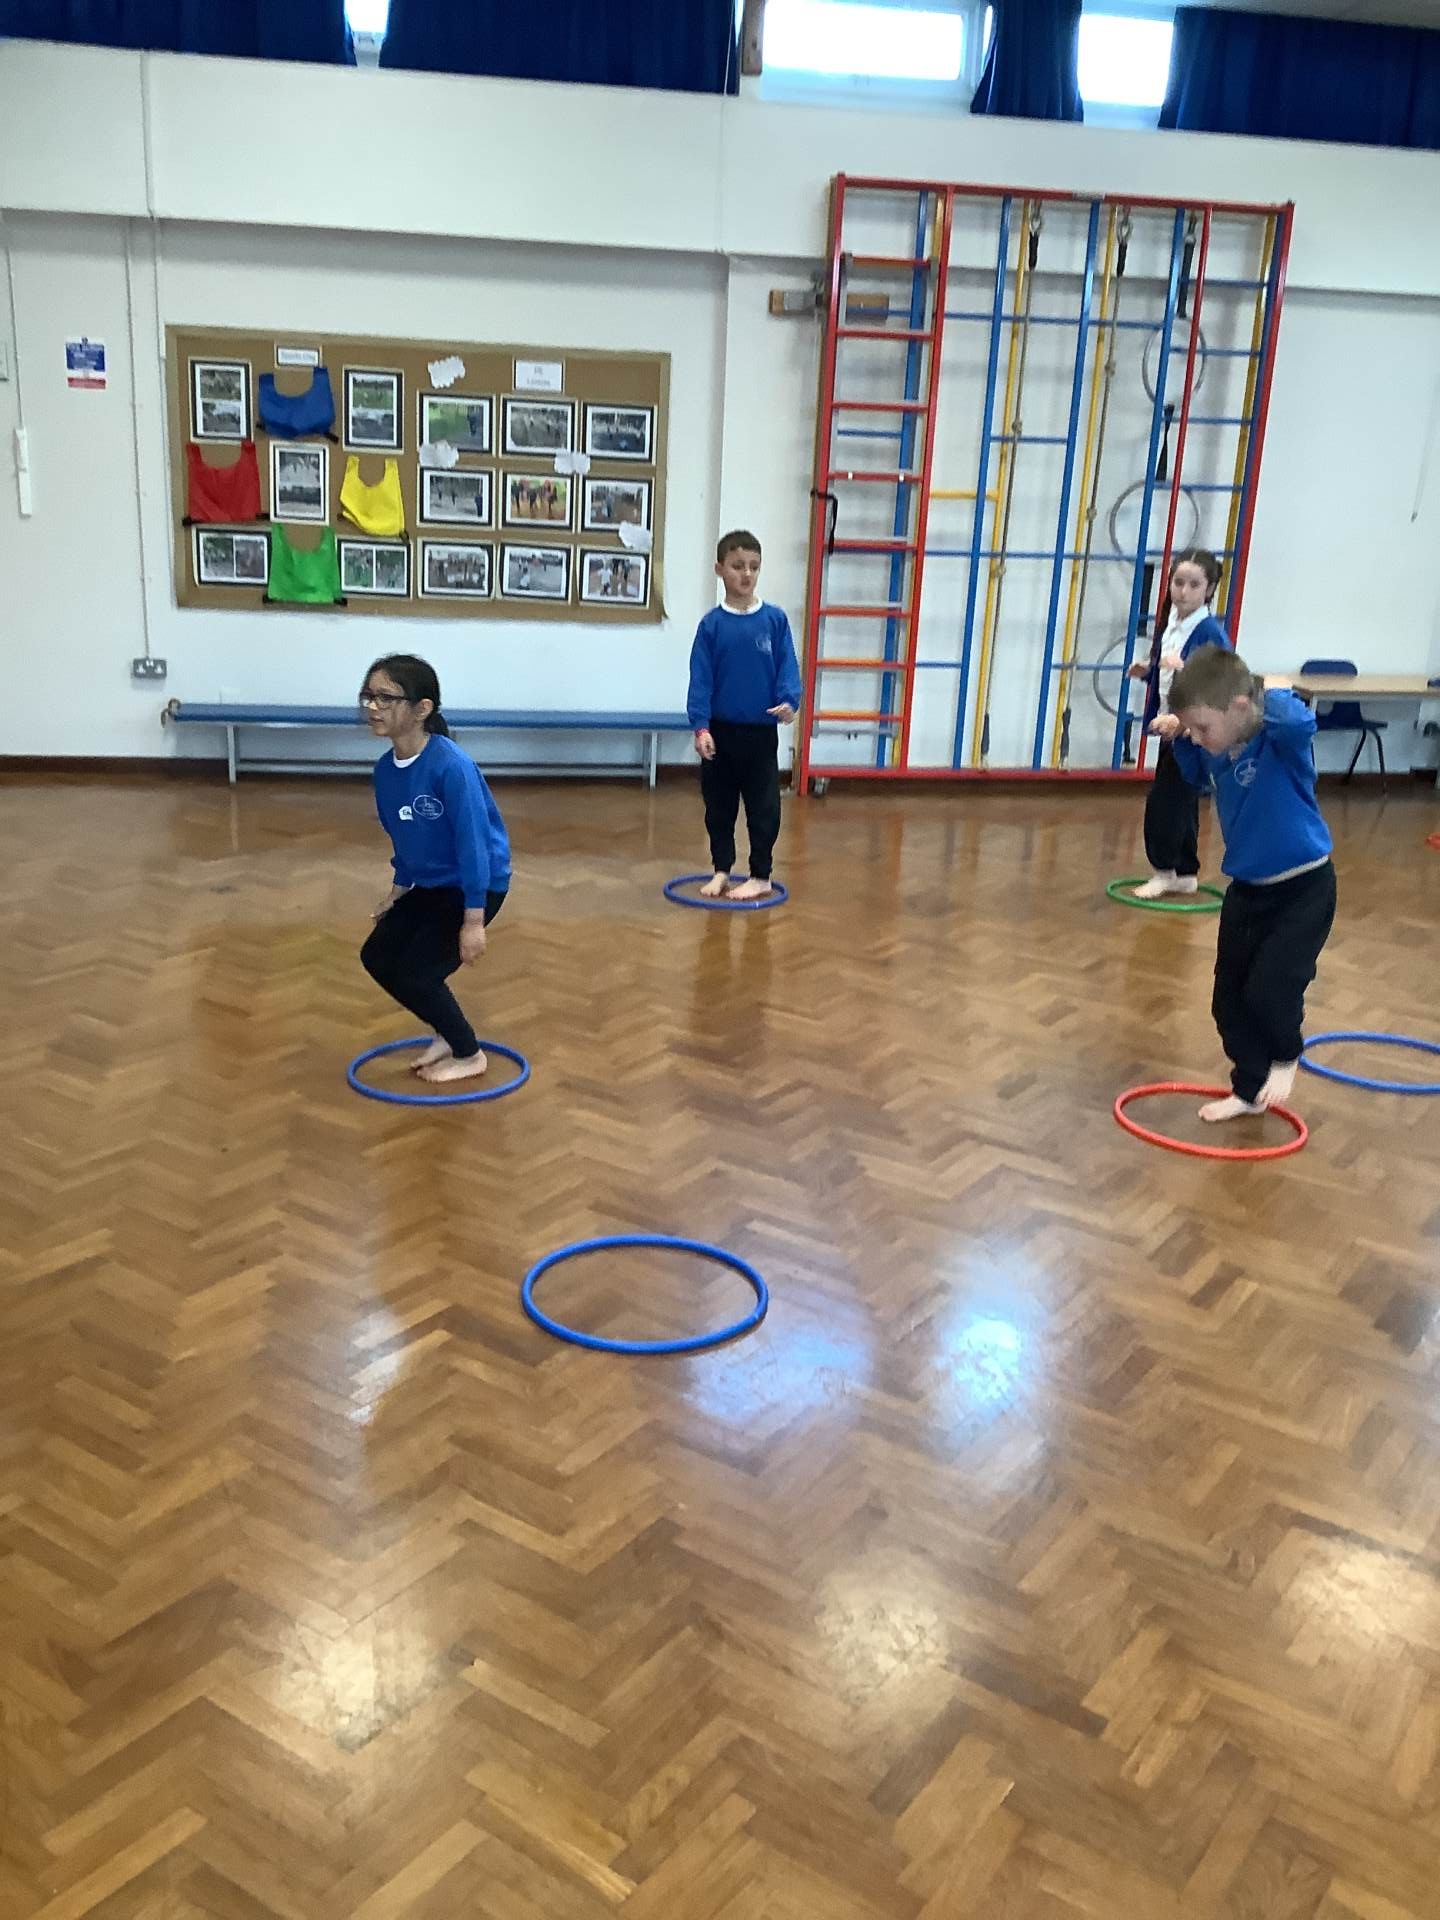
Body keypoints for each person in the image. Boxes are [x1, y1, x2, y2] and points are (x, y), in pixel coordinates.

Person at [1163, 647, 1336, 1124]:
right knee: (1228, 1000)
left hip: (1303, 889)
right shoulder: (1219, 752)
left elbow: (1299, 722)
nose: (1199, 737)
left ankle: (1286, 1054)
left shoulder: (1281, 744)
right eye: (1193, 729)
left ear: (1239, 708)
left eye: (1203, 727)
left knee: (1271, 987)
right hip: (1246, 891)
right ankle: (1249, 1089)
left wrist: (1265, 692)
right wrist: (1182, 738)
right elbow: (1196, 776)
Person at [358, 654, 511, 1086]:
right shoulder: (385, 771)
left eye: (386, 698)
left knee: (418, 972)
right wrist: (397, 891)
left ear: (422, 708)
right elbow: (403, 838)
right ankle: (444, 1031)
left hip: (475, 884)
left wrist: (473, 922)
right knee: (377, 956)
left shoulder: (451, 767)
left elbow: (474, 847)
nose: (373, 707)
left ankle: (469, 1052)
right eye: (368, 696)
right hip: (429, 885)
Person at [686, 529, 802, 901]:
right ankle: (721, 869)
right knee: (718, 807)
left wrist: (789, 701)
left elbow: (788, 667)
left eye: (754, 566)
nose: (746, 574)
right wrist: (701, 726)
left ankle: (761, 875)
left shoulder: (774, 620)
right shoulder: (711, 626)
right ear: (720, 569)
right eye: (738, 566)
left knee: (763, 807)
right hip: (720, 734)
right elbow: (701, 679)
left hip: (760, 734)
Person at [1125, 548, 1231, 899]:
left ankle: (1165, 870)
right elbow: (1169, 671)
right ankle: (1184, 872)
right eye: (1178, 582)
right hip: (1172, 730)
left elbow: (1222, 683)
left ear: (1209, 589)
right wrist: (1149, 671)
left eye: (1194, 585)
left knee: (1165, 802)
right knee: (1183, 800)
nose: (1183, 592)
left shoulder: (1209, 632)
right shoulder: (1171, 623)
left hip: (1191, 733)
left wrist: (1185, 717)